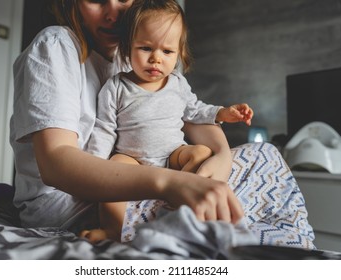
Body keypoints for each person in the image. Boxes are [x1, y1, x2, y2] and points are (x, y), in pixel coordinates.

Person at [10, 0, 315, 250]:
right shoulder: (57, 46)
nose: (113, 13)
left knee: (263, 158)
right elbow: (56, 162)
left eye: (123, 0)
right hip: (74, 206)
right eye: (96, 0)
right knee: (264, 165)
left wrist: (220, 155)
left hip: (150, 174)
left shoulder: (131, 57)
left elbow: (190, 113)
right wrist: (173, 183)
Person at [83, 0, 253, 242]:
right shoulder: (117, 86)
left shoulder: (177, 84)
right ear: (127, 48)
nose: (156, 59)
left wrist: (223, 113)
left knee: (201, 153)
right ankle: (112, 229)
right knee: (114, 171)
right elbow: (105, 129)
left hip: (173, 155)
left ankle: (185, 213)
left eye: (167, 51)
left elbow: (195, 110)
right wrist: (94, 166)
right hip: (133, 159)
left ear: (179, 53)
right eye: (145, 48)